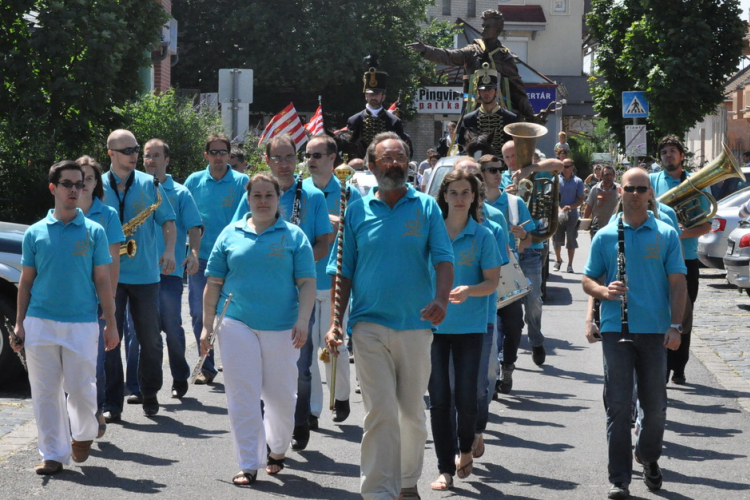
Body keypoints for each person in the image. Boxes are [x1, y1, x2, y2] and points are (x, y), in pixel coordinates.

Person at [324, 132, 454, 499]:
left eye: (400, 157)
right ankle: (379, 491)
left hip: (416, 325)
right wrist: (337, 320)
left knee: (411, 413)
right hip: (368, 325)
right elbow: (343, 270)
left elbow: (444, 259)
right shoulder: (356, 210)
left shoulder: (427, 207)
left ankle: (408, 481)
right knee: (380, 412)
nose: (394, 163)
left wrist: (441, 300)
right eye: (387, 158)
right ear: (371, 165)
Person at [201, 172, 316, 486]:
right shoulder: (230, 233)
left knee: (280, 397)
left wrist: (303, 320)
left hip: (283, 327)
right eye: (257, 196)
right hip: (236, 322)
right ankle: (249, 462)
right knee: (242, 394)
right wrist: (206, 325)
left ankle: (277, 449)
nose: (263, 201)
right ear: (248, 199)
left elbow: (306, 283)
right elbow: (213, 283)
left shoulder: (294, 236)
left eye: (269, 195)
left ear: (279, 199)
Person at [582, 168, 687, 499]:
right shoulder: (606, 235)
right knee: (617, 406)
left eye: (642, 188)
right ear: (620, 192)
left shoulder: (666, 234)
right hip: (617, 329)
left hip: (656, 331)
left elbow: (678, 283)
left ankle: (649, 456)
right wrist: (602, 292)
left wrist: (675, 325)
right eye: (630, 188)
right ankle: (619, 479)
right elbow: (588, 280)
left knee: (655, 407)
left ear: (650, 194)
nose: (636, 193)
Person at [14, 160, 118, 475]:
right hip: (40, 322)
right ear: (53, 188)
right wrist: (19, 323)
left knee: (82, 387)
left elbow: (103, 279)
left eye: (79, 184)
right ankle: (53, 454)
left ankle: (84, 434)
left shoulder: (94, 231)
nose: (74, 189)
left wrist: (110, 322)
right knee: (45, 391)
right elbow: (26, 281)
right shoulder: (34, 233)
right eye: (67, 184)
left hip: (82, 323)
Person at [233, 134, 333, 452]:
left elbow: (324, 241)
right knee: (259, 366)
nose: (284, 164)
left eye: (289, 157)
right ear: (267, 160)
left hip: (299, 290)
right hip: (260, 294)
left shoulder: (312, 195)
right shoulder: (255, 193)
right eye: (277, 158)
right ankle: (265, 431)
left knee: (299, 364)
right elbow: (238, 235)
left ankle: (299, 421)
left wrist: (295, 267)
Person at [428, 170, 501, 491]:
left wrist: (468, 290)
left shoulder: (483, 235)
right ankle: (444, 468)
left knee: (467, 395)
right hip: (433, 325)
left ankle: (464, 449)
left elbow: (493, 282)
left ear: (474, 198)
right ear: (443, 196)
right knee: (440, 397)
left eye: (465, 193)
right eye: (453, 192)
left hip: (472, 326)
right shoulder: (432, 232)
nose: (459, 198)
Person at [102, 129, 176, 422]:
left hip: (145, 274)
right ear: (111, 154)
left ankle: (149, 392)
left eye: (136, 150)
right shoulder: (97, 186)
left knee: (150, 339)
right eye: (128, 151)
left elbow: (168, 221)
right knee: (111, 340)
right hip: (109, 275)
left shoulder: (149, 184)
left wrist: (170, 250)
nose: (135, 156)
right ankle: (112, 402)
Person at [302, 134, 360, 425]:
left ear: (332, 159)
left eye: (316, 155)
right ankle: (312, 410)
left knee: (334, 344)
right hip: (307, 279)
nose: (310, 161)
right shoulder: (300, 191)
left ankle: (340, 396)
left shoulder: (351, 192)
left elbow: (363, 231)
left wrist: (344, 222)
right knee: (308, 346)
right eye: (307, 155)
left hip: (337, 280)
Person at [184, 133, 249, 385]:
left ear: (229, 155)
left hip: (234, 262)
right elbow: (185, 218)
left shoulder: (243, 182)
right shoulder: (194, 181)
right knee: (201, 313)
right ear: (206, 155)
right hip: (201, 260)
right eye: (214, 152)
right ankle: (206, 366)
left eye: (224, 152)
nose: (219, 157)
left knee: (235, 316)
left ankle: (238, 366)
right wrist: (187, 253)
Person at [141, 138, 203, 399]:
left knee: (172, 327)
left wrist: (194, 253)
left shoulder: (180, 192)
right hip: (139, 272)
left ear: (167, 160)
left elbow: (194, 227)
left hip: (169, 272)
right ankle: (142, 385)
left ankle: (179, 375)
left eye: (157, 155)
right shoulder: (134, 189)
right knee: (143, 332)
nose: (151, 160)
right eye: (147, 155)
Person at [650, 135, 711, 385]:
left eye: (673, 151)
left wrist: (681, 232)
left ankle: (680, 366)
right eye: (664, 152)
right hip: (658, 259)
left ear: (682, 155)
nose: (669, 155)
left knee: (683, 314)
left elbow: (706, 224)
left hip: (687, 259)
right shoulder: (652, 182)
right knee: (660, 312)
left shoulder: (697, 184)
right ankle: (661, 365)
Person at [498, 142, 564, 367]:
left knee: (534, 300)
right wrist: (505, 195)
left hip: (532, 248)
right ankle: (503, 358)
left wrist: (531, 169)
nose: (511, 161)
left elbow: (560, 164)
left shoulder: (538, 171)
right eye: (507, 157)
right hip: (508, 250)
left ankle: (536, 339)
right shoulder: (502, 179)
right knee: (504, 303)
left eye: (514, 155)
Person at [407, 9, 536, 121]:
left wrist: (531, 117)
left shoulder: (505, 57)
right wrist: (426, 50)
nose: (483, 29)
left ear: (497, 30)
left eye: (488, 26)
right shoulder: (472, 51)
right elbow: (449, 56)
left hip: (500, 114)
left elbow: (518, 91)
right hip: (473, 112)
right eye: (483, 25)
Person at [75, 156, 124, 438]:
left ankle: (96, 409)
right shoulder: (61, 212)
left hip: (96, 299)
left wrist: (111, 300)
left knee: (95, 362)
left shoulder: (107, 215)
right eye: (79, 178)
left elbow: (113, 261)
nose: (83, 184)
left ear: (96, 183)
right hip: (69, 300)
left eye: (90, 178)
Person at [480, 153, 536, 392]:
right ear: (480, 174)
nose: (497, 174)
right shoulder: (473, 202)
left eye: (499, 169)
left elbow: (529, 239)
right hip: (478, 271)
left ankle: (508, 366)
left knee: (513, 323)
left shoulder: (514, 202)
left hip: (506, 269)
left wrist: (521, 236)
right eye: (492, 170)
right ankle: (488, 374)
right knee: (487, 327)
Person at [346, 58, 407, 156]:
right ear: (366, 96)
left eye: (377, 94)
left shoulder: (394, 121)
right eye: (370, 94)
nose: (373, 96)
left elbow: (400, 148)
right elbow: (349, 147)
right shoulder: (354, 120)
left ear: (383, 97)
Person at [456, 65, 519, 154]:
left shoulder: (510, 118)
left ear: (496, 92)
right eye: (483, 90)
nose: (486, 93)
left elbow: (515, 146)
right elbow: (462, 147)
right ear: (478, 92)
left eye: (490, 90)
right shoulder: (468, 119)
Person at [553, 159, 585, 273]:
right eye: (563, 166)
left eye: (567, 166)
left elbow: (581, 199)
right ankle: (558, 260)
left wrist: (570, 207)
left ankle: (570, 265)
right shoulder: (555, 179)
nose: (565, 168)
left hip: (572, 215)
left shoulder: (578, 181)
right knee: (557, 239)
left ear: (572, 167)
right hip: (557, 214)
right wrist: (559, 209)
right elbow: (552, 196)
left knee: (571, 238)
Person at [584, 165, 620, 237]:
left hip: (614, 225)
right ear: (601, 176)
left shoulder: (619, 189)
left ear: (614, 176)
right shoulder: (595, 189)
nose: (608, 177)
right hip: (597, 225)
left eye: (611, 174)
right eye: (606, 174)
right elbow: (589, 206)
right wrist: (586, 222)